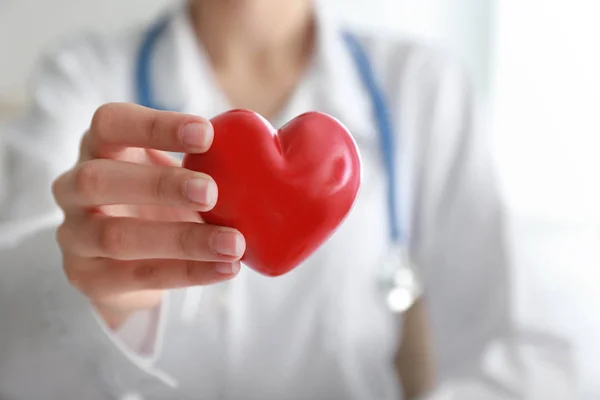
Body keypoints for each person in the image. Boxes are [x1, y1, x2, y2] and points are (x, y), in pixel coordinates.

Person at [0, 0, 575, 399]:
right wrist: (102, 300)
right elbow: (12, 355)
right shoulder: (83, 79)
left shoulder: (423, 89)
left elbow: (533, 366)